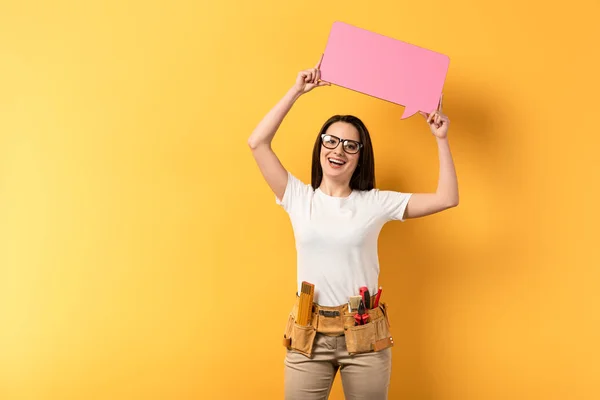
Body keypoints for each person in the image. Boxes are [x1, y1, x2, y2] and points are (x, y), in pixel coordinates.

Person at [247, 59, 459, 400]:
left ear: (361, 156)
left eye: (350, 145)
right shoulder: (297, 197)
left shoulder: (374, 202)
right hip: (308, 333)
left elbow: (447, 198)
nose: (338, 150)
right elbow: (257, 143)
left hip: (363, 333)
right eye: (331, 141)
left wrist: (441, 138)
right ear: (320, 148)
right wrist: (297, 91)